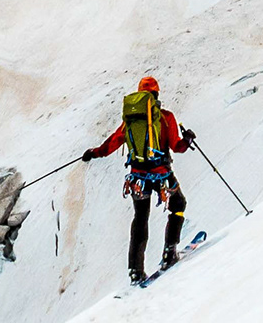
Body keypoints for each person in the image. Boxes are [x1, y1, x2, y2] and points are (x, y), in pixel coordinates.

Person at [80, 76, 195, 282]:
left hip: (137, 178)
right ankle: (169, 252)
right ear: (156, 95)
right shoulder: (165, 117)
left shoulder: (131, 121)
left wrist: (93, 152)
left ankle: (135, 270)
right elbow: (177, 146)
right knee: (178, 203)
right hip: (161, 175)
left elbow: (111, 144)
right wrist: (187, 139)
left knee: (140, 218)